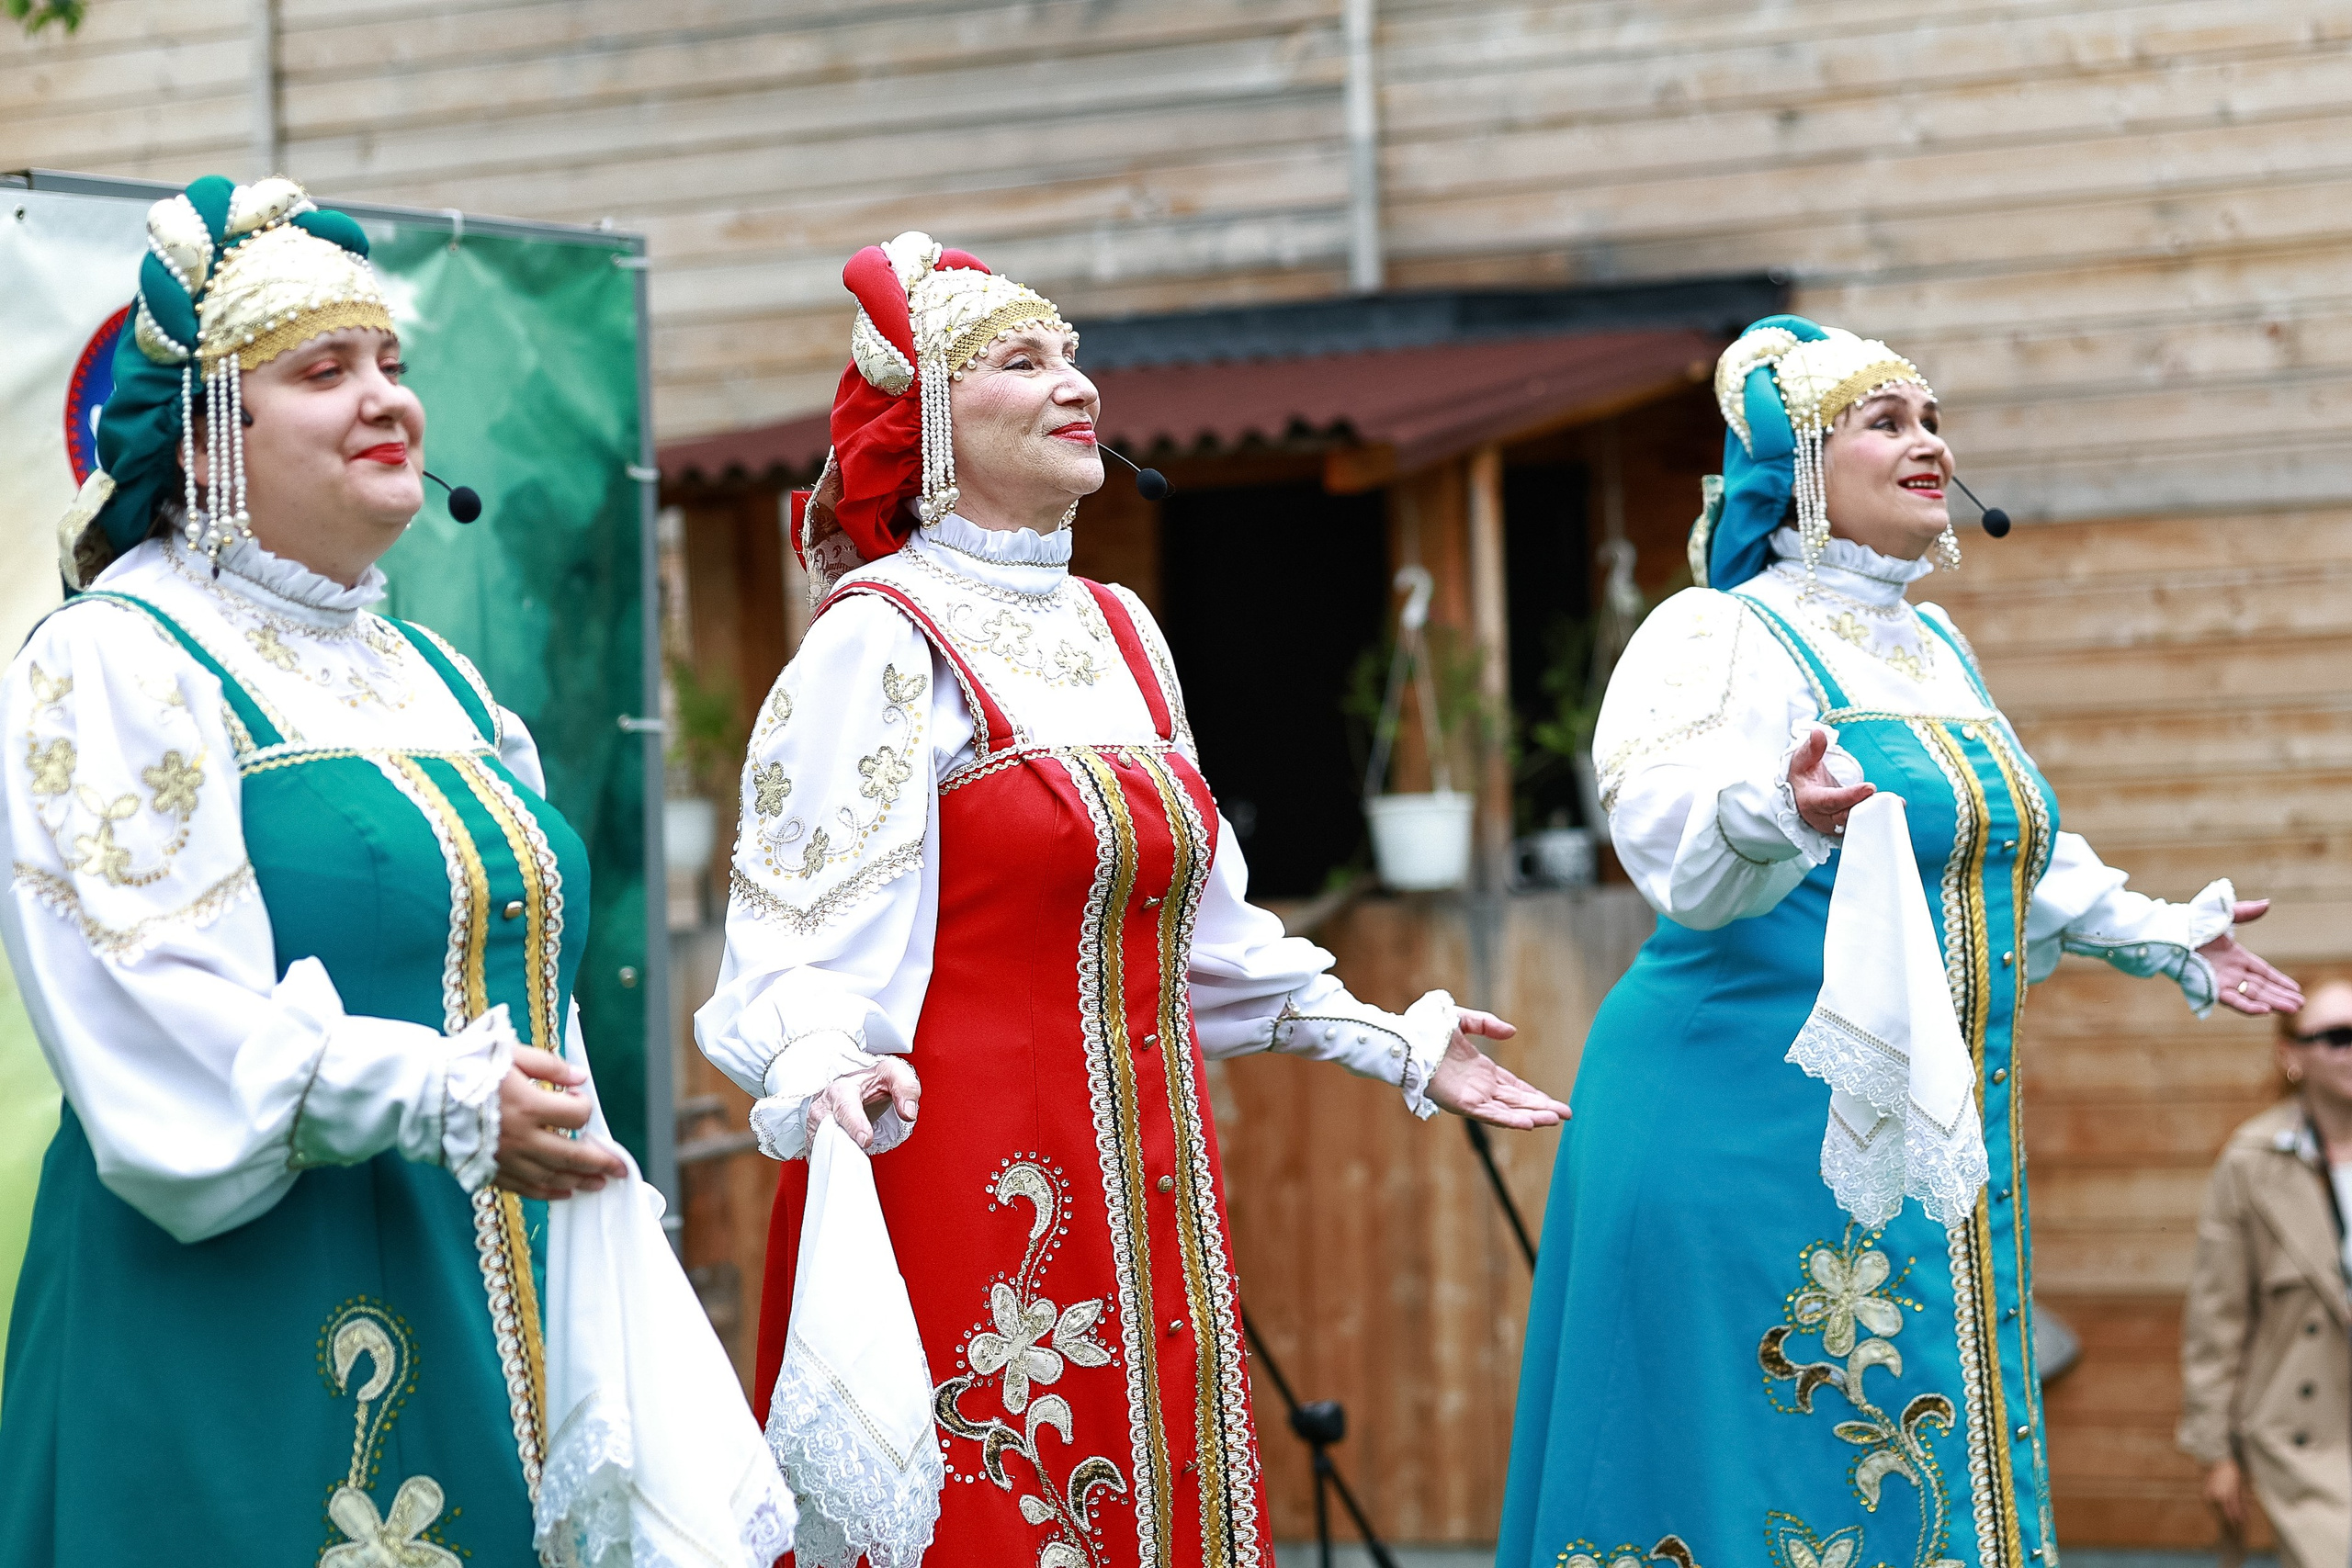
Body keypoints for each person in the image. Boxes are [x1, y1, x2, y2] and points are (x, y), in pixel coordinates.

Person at [695, 231, 1570, 1568]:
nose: (1075, 384)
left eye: (1076, 358)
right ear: (925, 418)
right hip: (959, 1166)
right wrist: (822, 1063)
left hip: (1151, 1182)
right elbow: (797, 940)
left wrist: (1387, 1035)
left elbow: (1204, 941)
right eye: (1022, 360)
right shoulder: (880, 637)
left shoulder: (1122, 628)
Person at [0, 175, 791, 1566]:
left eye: (394, 363)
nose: (387, 400)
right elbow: (160, 1029)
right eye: (325, 370)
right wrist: (436, 1091)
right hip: (249, 1315)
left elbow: (528, 998)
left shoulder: (442, 681)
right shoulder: (112, 656)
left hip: (504, 1291)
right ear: (204, 442)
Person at [1496, 315, 2301, 1568]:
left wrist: (2169, 936)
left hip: (1904, 1123)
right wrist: (1778, 809)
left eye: (1931, 418)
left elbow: (2010, 847)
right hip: (1734, 1115)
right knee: (1760, 1475)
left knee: (1909, 1444)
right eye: (1886, 420)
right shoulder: (1721, 632)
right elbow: (1681, 863)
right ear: (1801, 469)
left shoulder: (1934, 646)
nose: (1927, 441)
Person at [2180, 979, 2352, 1568]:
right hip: (2304, 1430)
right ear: (2291, 1054)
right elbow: (2218, 1314)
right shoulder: (2253, 1161)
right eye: (2337, 1037)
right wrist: (2216, 1454)